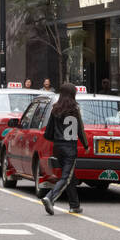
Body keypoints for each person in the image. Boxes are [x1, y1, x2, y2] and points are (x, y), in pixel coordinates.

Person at [42, 84, 90, 216]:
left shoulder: (55, 109)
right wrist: (86, 145)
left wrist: (55, 140)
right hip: (70, 148)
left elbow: (48, 131)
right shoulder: (75, 109)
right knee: (66, 177)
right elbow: (80, 129)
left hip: (58, 147)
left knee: (69, 176)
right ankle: (50, 198)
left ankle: (75, 205)